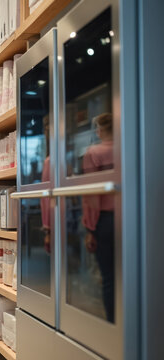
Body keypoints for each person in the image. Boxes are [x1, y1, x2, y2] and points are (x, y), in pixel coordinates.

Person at [82, 113, 115, 322]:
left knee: (109, 277)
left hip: (106, 222)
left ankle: (113, 324)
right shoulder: (130, 147)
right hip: (133, 218)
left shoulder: (94, 152)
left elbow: (92, 196)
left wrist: (90, 229)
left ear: (99, 131)